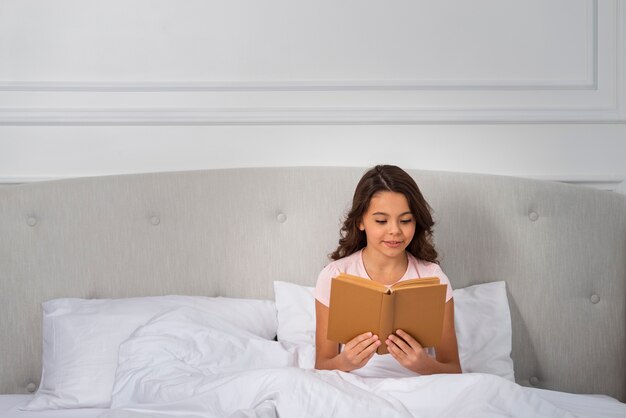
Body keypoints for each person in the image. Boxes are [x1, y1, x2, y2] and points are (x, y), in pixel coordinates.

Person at [314, 165, 461, 376]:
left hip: (419, 389)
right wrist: (346, 361)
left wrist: (422, 364)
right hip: (354, 389)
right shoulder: (334, 276)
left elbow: (454, 369)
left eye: (405, 220)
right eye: (381, 221)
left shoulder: (434, 278)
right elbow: (322, 365)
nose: (395, 231)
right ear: (360, 222)